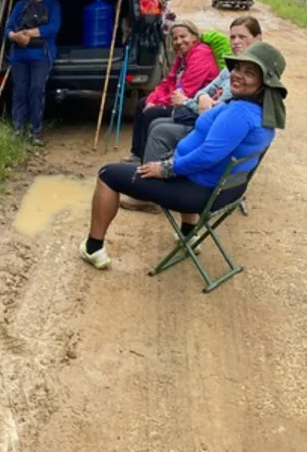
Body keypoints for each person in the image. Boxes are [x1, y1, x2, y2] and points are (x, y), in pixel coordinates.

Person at [79, 42, 287, 270]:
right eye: (238, 69)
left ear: (264, 83)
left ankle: (93, 247)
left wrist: (167, 168)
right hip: (225, 190)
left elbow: (207, 156)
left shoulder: (239, 113)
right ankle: (189, 234)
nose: (238, 76)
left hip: (197, 192)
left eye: (250, 73)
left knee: (108, 174)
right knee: (184, 159)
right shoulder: (262, 113)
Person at [142, 16, 263, 166]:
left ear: (258, 38)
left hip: (209, 127)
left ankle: (151, 176)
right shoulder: (230, 67)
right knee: (156, 122)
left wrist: (187, 101)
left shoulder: (247, 77)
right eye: (232, 37)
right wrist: (203, 97)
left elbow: (215, 109)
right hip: (201, 118)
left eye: (242, 37)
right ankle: (148, 167)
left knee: (159, 129)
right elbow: (201, 91)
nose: (236, 42)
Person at [126, 19, 219, 163]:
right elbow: (168, 81)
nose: (179, 41)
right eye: (175, 38)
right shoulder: (182, 57)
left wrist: (157, 104)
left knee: (152, 113)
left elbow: (187, 90)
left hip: (191, 105)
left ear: (194, 37)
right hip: (178, 99)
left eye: (183, 36)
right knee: (142, 103)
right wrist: (153, 99)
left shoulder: (202, 55)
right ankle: (138, 153)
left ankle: (147, 158)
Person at [5, 0, 62, 145]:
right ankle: (18, 129)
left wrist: (28, 34)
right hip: (19, 56)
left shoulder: (53, 4)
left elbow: (53, 27)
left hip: (42, 54)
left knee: (36, 89)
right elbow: (7, 28)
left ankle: (35, 131)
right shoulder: (20, 6)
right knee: (19, 92)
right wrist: (15, 36)